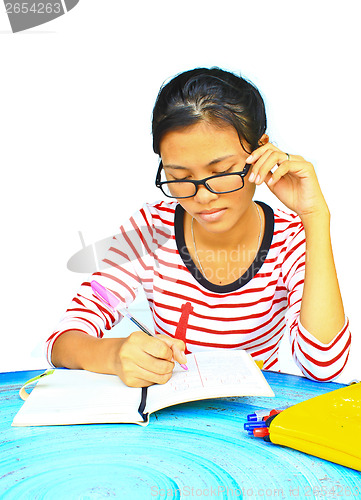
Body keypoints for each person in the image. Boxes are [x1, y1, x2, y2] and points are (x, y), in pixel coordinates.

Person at [47, 67, 351, 387]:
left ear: (261, 150)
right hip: (171, 417)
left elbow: (324, 367)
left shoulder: (290, 240)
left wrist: (315, 216)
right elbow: (61, 341)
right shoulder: (151, 228)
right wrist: (113, 353)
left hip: (249, 421)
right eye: (179, 178)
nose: (203, 197)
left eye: (221, 172)